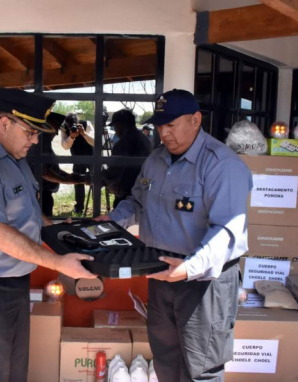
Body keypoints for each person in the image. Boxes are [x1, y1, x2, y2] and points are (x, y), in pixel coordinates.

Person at [96, 89, 253, 382]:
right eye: (159, 125)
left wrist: (188, 268)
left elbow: (227, 231)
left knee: (200, 371)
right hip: (162, 276)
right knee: (165, 361)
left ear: (196, 120)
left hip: (203, 282)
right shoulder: (155, 160)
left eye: (171, 124)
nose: (163, 132)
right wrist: (111, 221)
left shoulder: (222, 165)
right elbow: (138, 202)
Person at [0, 87, 96, 382]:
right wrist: (59, 264)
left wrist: (62, 235)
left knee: (14, 369)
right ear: (4, 123)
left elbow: (28, 209)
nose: (36, 140)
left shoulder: (13, 157)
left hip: (13, 282)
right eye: (30, 132)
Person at [33, 112, 90, 216]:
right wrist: (65, 179)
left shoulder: (44, 142)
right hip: (40, 195)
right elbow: (44, 171)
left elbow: (52, 170)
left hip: (44, 194)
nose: (57, 134)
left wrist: (70, 176)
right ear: (47, 126)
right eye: (56, 129)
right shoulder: (40, 141)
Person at [101, 109, 152, 208]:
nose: (115, 130)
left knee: (120, 220)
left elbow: (113, 172)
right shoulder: (144, 139)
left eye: (115, 126)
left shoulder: (123, 143)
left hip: (126, 193)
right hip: (143, 191)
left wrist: (98, 177)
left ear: (121, 125)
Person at [60, 113, 94, 214]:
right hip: (77, 158)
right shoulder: (64, 128)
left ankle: (96, 205)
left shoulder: (86, 124)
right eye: (70, 126)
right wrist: (71, 137)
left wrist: (84, 133)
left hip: (91, 156)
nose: (72, 127)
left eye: (73, 125)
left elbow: (94, 142)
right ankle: (79, 207)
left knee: (95, 181)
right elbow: (65, 146)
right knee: (77, 181)